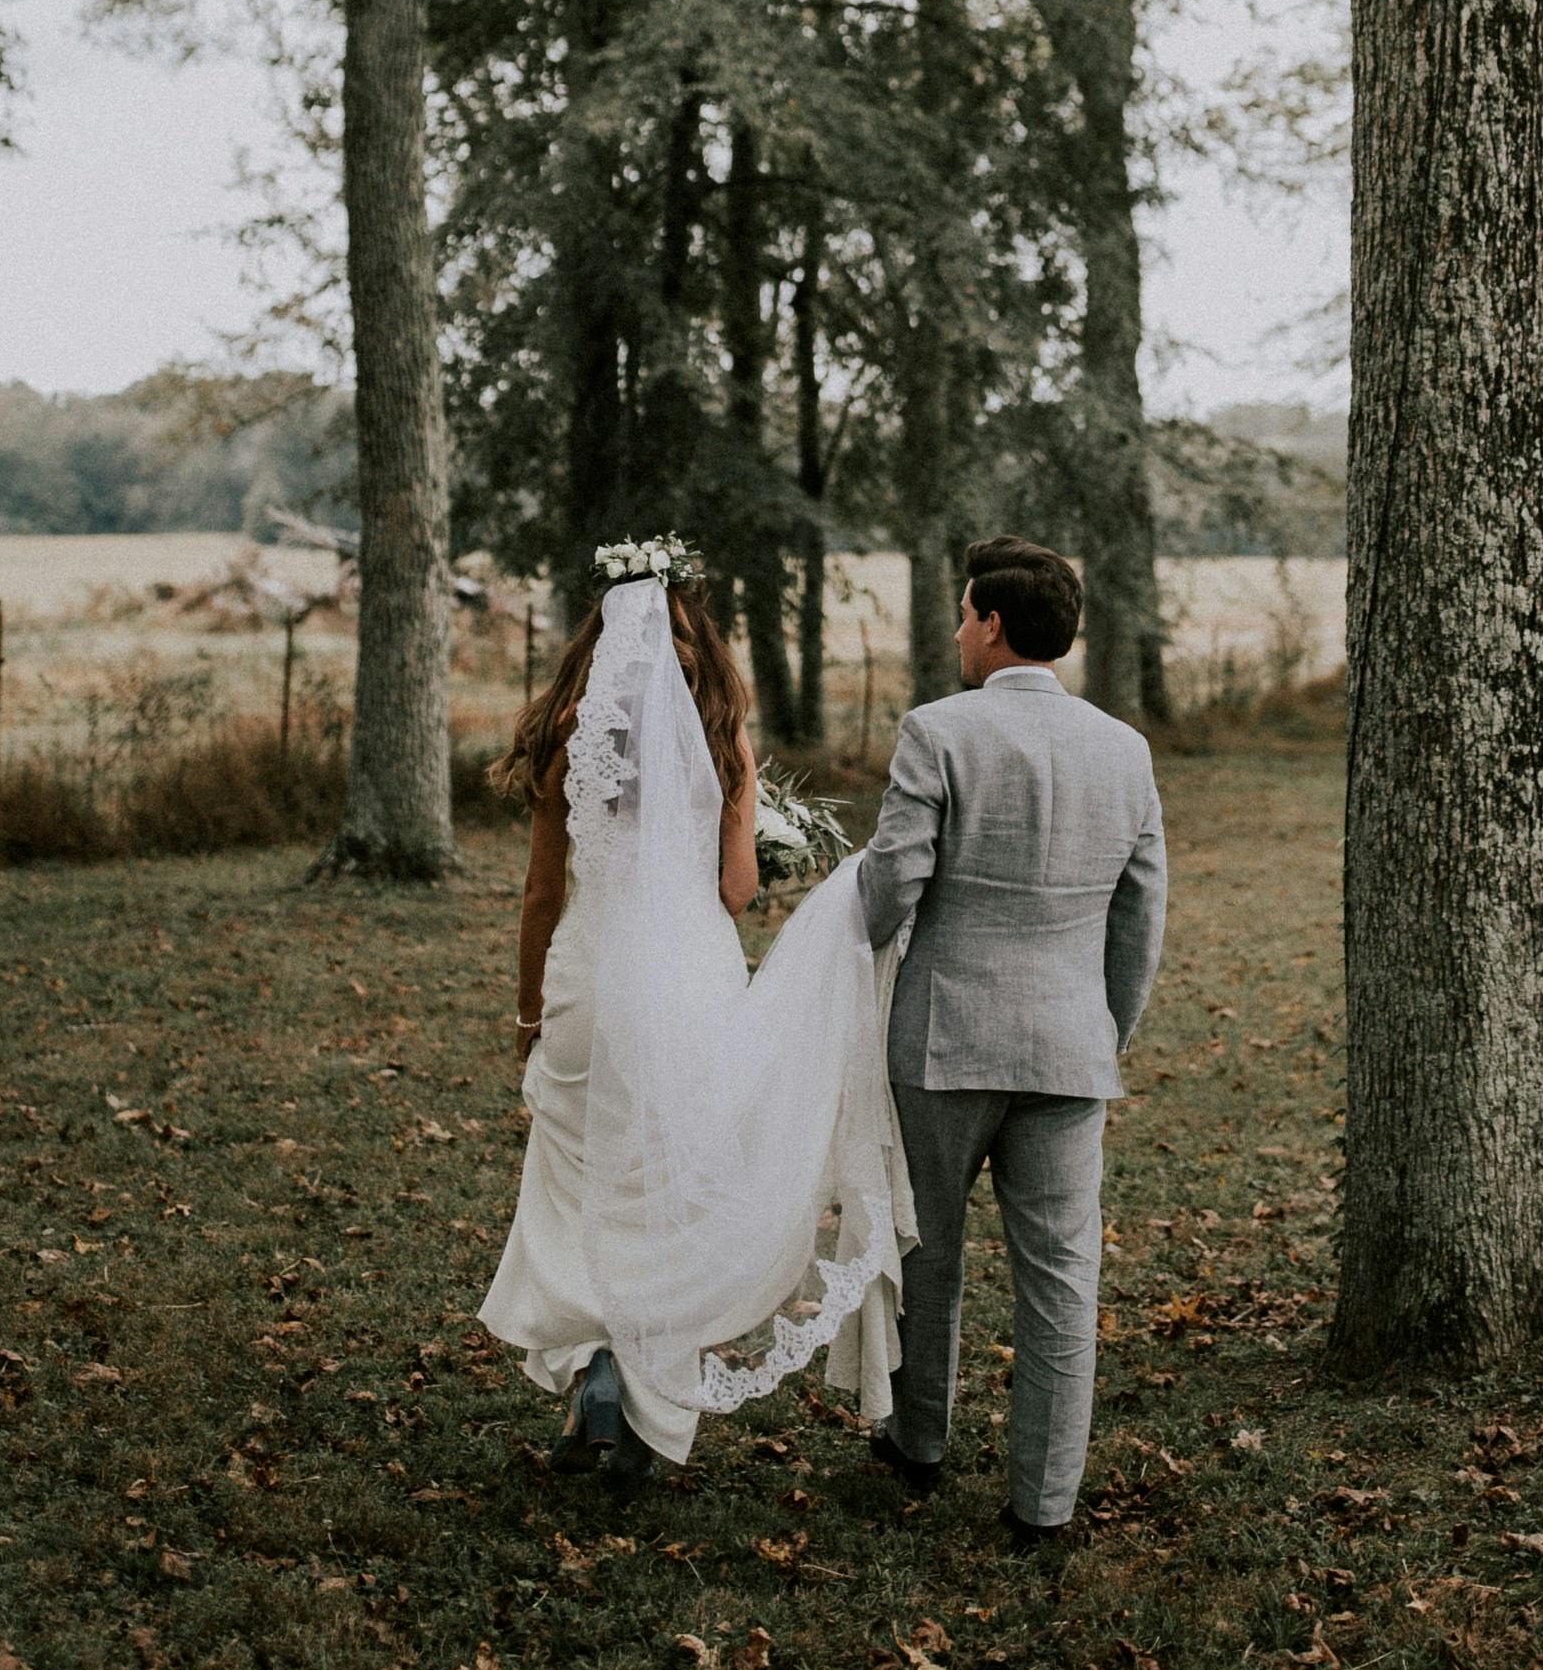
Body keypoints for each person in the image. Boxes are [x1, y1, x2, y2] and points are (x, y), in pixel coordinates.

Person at [478, 546, 906, 1485]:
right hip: (686, 979)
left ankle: (595, 1366)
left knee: (578, 1181)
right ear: (694, 648)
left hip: (586, 978)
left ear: (598, 642)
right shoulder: (724, 739)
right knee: (663, 1188)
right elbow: (736, 891)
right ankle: (642, 1392)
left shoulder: (566, 738)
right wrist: (758, 831)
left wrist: (526, 1013)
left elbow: (541, 895)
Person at [853, 535, 1167, 1550]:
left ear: (992, 623)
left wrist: (853, 911)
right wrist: (1104, 1025)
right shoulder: (1124, 748)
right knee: (1063, 1279)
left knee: (926, 1253)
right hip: (1071, 1047)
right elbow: (1142, 910)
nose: (953, 631)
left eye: (960, 613)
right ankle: (1045, 1502)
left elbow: (891, 887)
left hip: (944, 1041)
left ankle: (918, 1443)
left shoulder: (937, 733)